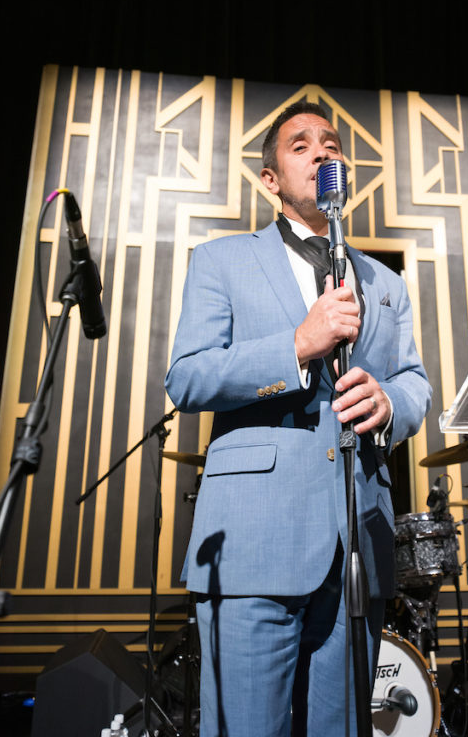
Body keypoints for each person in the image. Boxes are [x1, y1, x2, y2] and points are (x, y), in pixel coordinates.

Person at [166, 100, 431, 736]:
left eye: (332, 144)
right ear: (271, 179)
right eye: (301, 144)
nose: (322, 152)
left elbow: (415, 382)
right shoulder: (221, 260)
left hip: (357, 545)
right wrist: (296, 345)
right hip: (255, 541)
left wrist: (391, 402)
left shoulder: (385, 282)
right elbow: (188, 376)